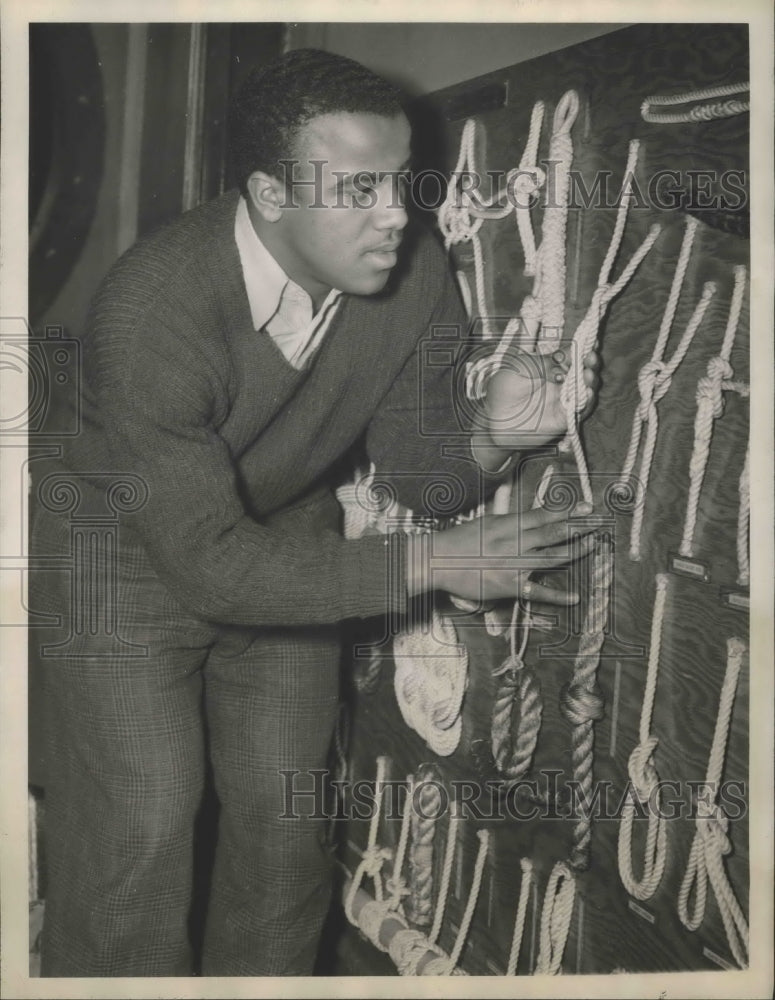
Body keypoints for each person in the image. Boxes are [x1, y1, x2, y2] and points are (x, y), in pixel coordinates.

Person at [31, 47, 599, 977]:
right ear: (267, 193)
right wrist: (431, 564)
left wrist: (497, 438)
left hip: (288, 539)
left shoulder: (410, 276)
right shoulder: (154, 312)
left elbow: (424, 480)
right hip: (120, 562)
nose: (394, 215)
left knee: (287, 826)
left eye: (401, 181)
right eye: (358, 187)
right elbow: (209, 564)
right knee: (141, 831)